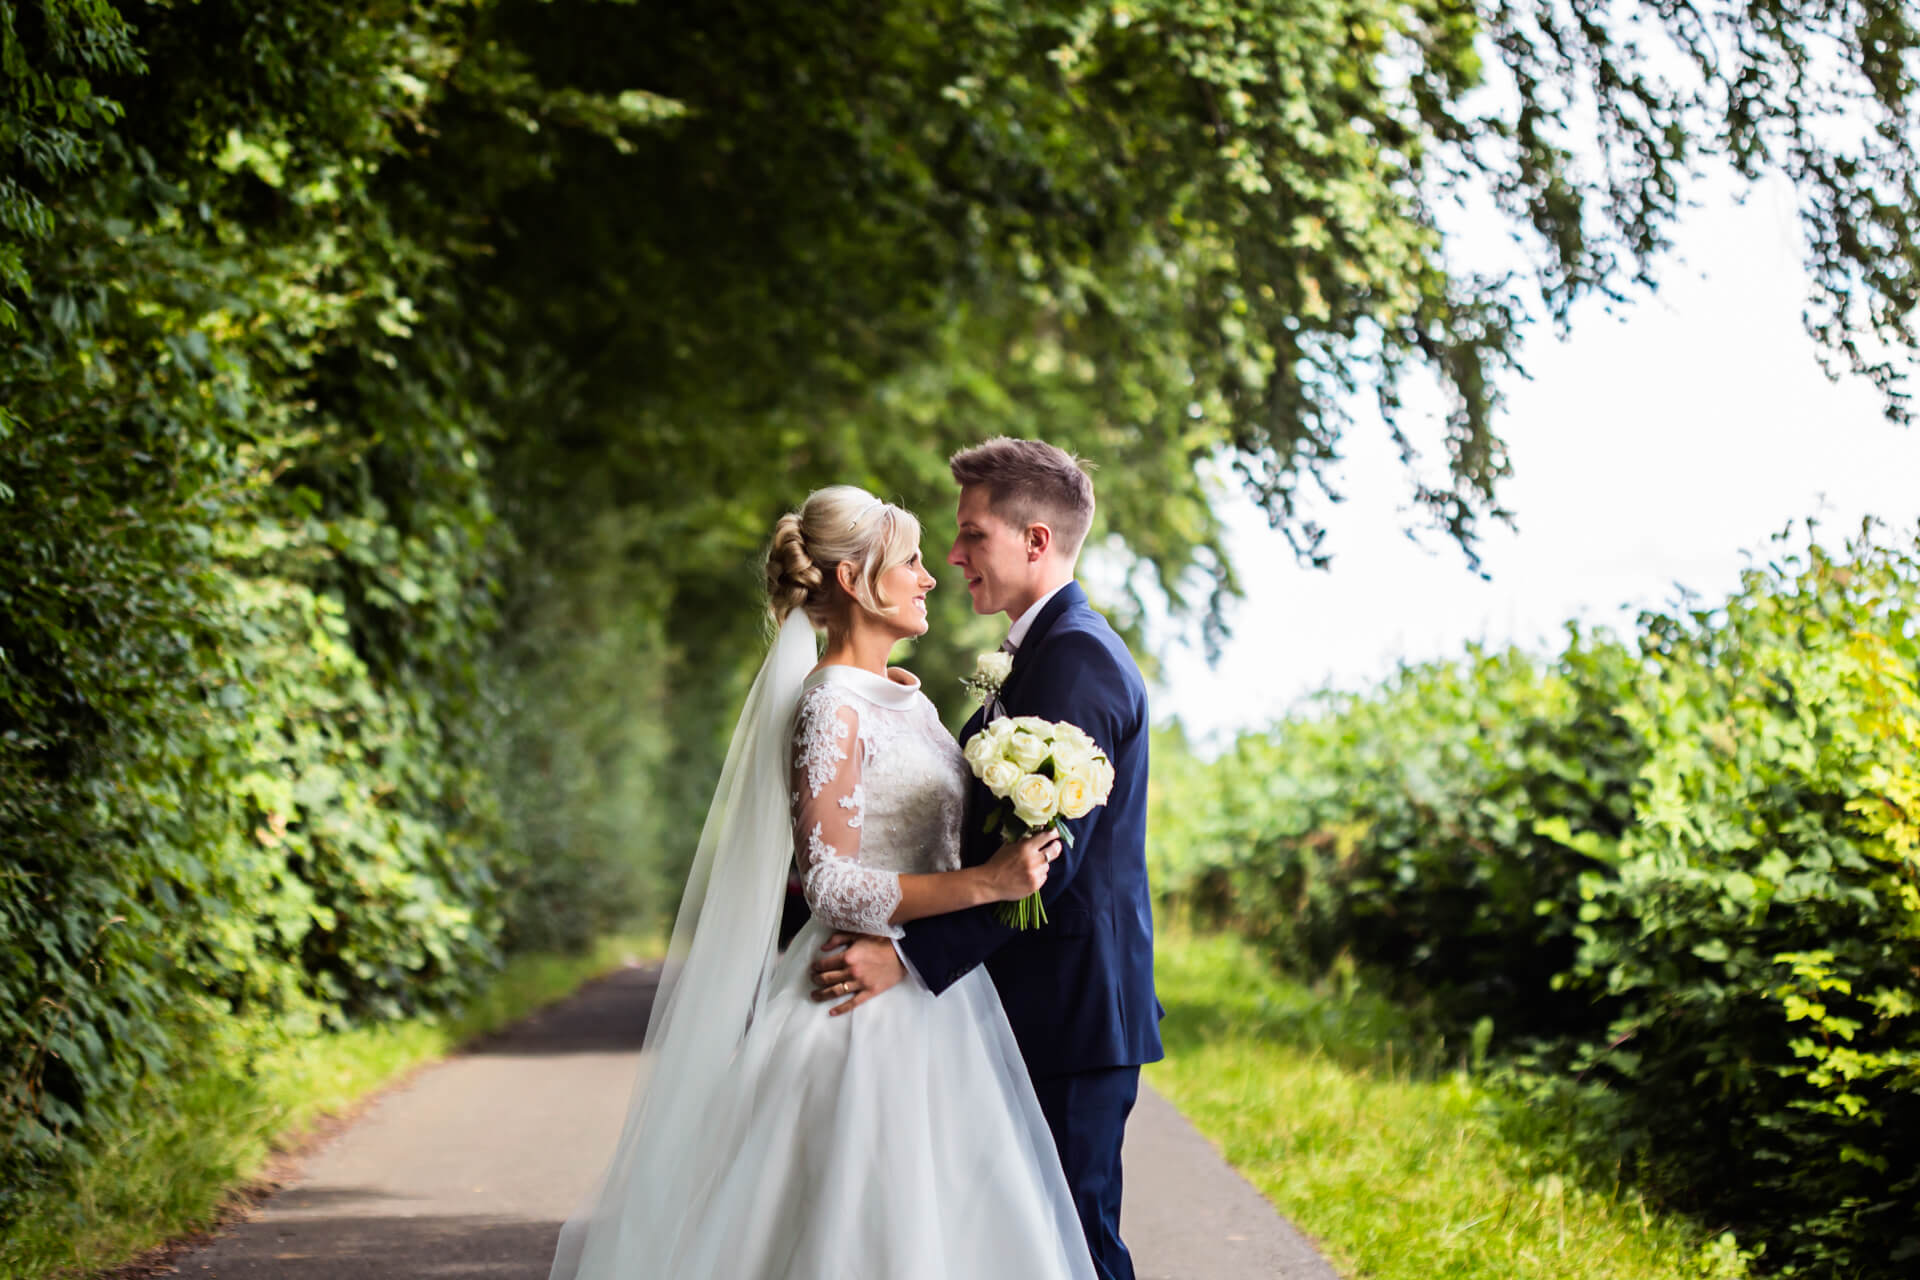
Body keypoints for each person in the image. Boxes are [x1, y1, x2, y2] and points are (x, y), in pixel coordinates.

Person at [548, 484, 1097, 1280]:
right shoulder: (829, 707)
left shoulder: (907, 699)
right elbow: (832, 882)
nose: (930, 576)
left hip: (935, 1000)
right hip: (857, 1009)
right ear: (853, 580)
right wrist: (985, 885)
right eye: (911, 561)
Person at [810, 439, 1162, 1280]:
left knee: (1074, 1246)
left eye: (972, 534)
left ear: (1036, 540)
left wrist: (906, 959)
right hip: (1027, 1001)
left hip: (1068, 1008)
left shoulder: (1075, 660)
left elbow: (1046, 863)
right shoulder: (1040, 653)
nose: (954, 556)